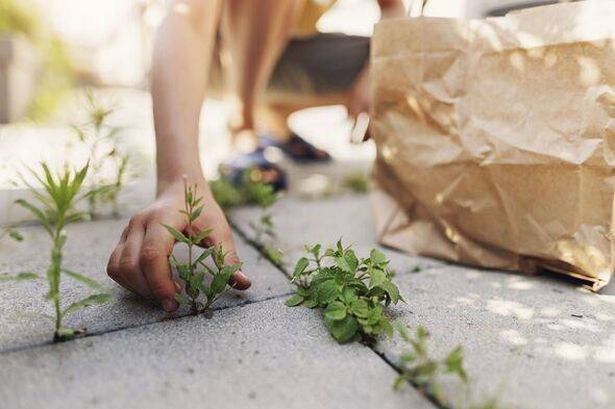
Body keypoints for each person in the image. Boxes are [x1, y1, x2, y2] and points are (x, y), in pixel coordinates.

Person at [106, 0, 406, 312]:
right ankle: (243, 125)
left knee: (407, 57)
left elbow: (394, 10)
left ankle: (274, 121)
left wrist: (376, 69)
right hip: (203, 53)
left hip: (282, 53)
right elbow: (189, 17)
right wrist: (177, 181)